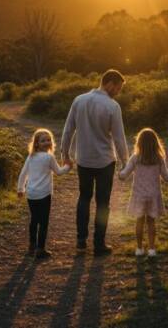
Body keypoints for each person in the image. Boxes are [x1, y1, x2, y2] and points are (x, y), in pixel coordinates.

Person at [62, 69, 129, 255]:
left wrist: (65, 153)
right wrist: (125, 162)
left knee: (84, 198)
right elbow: (119, 138)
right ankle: (99, 244)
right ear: (109, 83)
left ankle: (81, 241)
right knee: (103, 203)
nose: (118, 91)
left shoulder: (79, 100)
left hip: (83, 158)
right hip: (105, 160)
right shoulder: (112, 106)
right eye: (118, 87)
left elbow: (68, 130)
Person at [118, 128, 168, 257]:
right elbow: (166, 177)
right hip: (153, 195)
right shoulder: (158, 158)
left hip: (139, 195)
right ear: (156, 142)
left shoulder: (136, 157)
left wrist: (119, 174)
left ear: (139, 142)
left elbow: (124, 174)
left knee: (139, 221)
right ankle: (152, 249)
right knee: (151, 222)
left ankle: (139, 249)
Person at [16, 128, 72, 259]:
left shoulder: (30, 157)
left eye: (48, 140)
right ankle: (40, 249)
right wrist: (68, 167)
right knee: (44, 221)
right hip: (44, 194)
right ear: (36, 143)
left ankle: (32, 245)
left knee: (34, 220)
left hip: (31, 193)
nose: (47, 142)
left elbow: (23, 174)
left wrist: (20, 189)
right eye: (43, 141)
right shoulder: (49, 157)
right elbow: (58, 171)